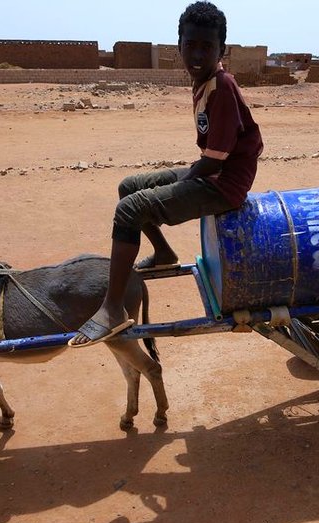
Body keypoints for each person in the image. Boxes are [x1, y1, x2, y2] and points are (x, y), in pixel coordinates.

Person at [70, 1, 263, 347]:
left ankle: (113, 308)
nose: (198, 54)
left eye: (207, 46)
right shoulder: (204, 83)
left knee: (129, 210)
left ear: (222, 50)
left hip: (225, 185)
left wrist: (185, 181)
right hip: (213, 172)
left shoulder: (221, 86)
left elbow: (216, 160)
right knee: (129, 188)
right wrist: (185, 178)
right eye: (191, 45)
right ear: (179, 48)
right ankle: (163, 253)